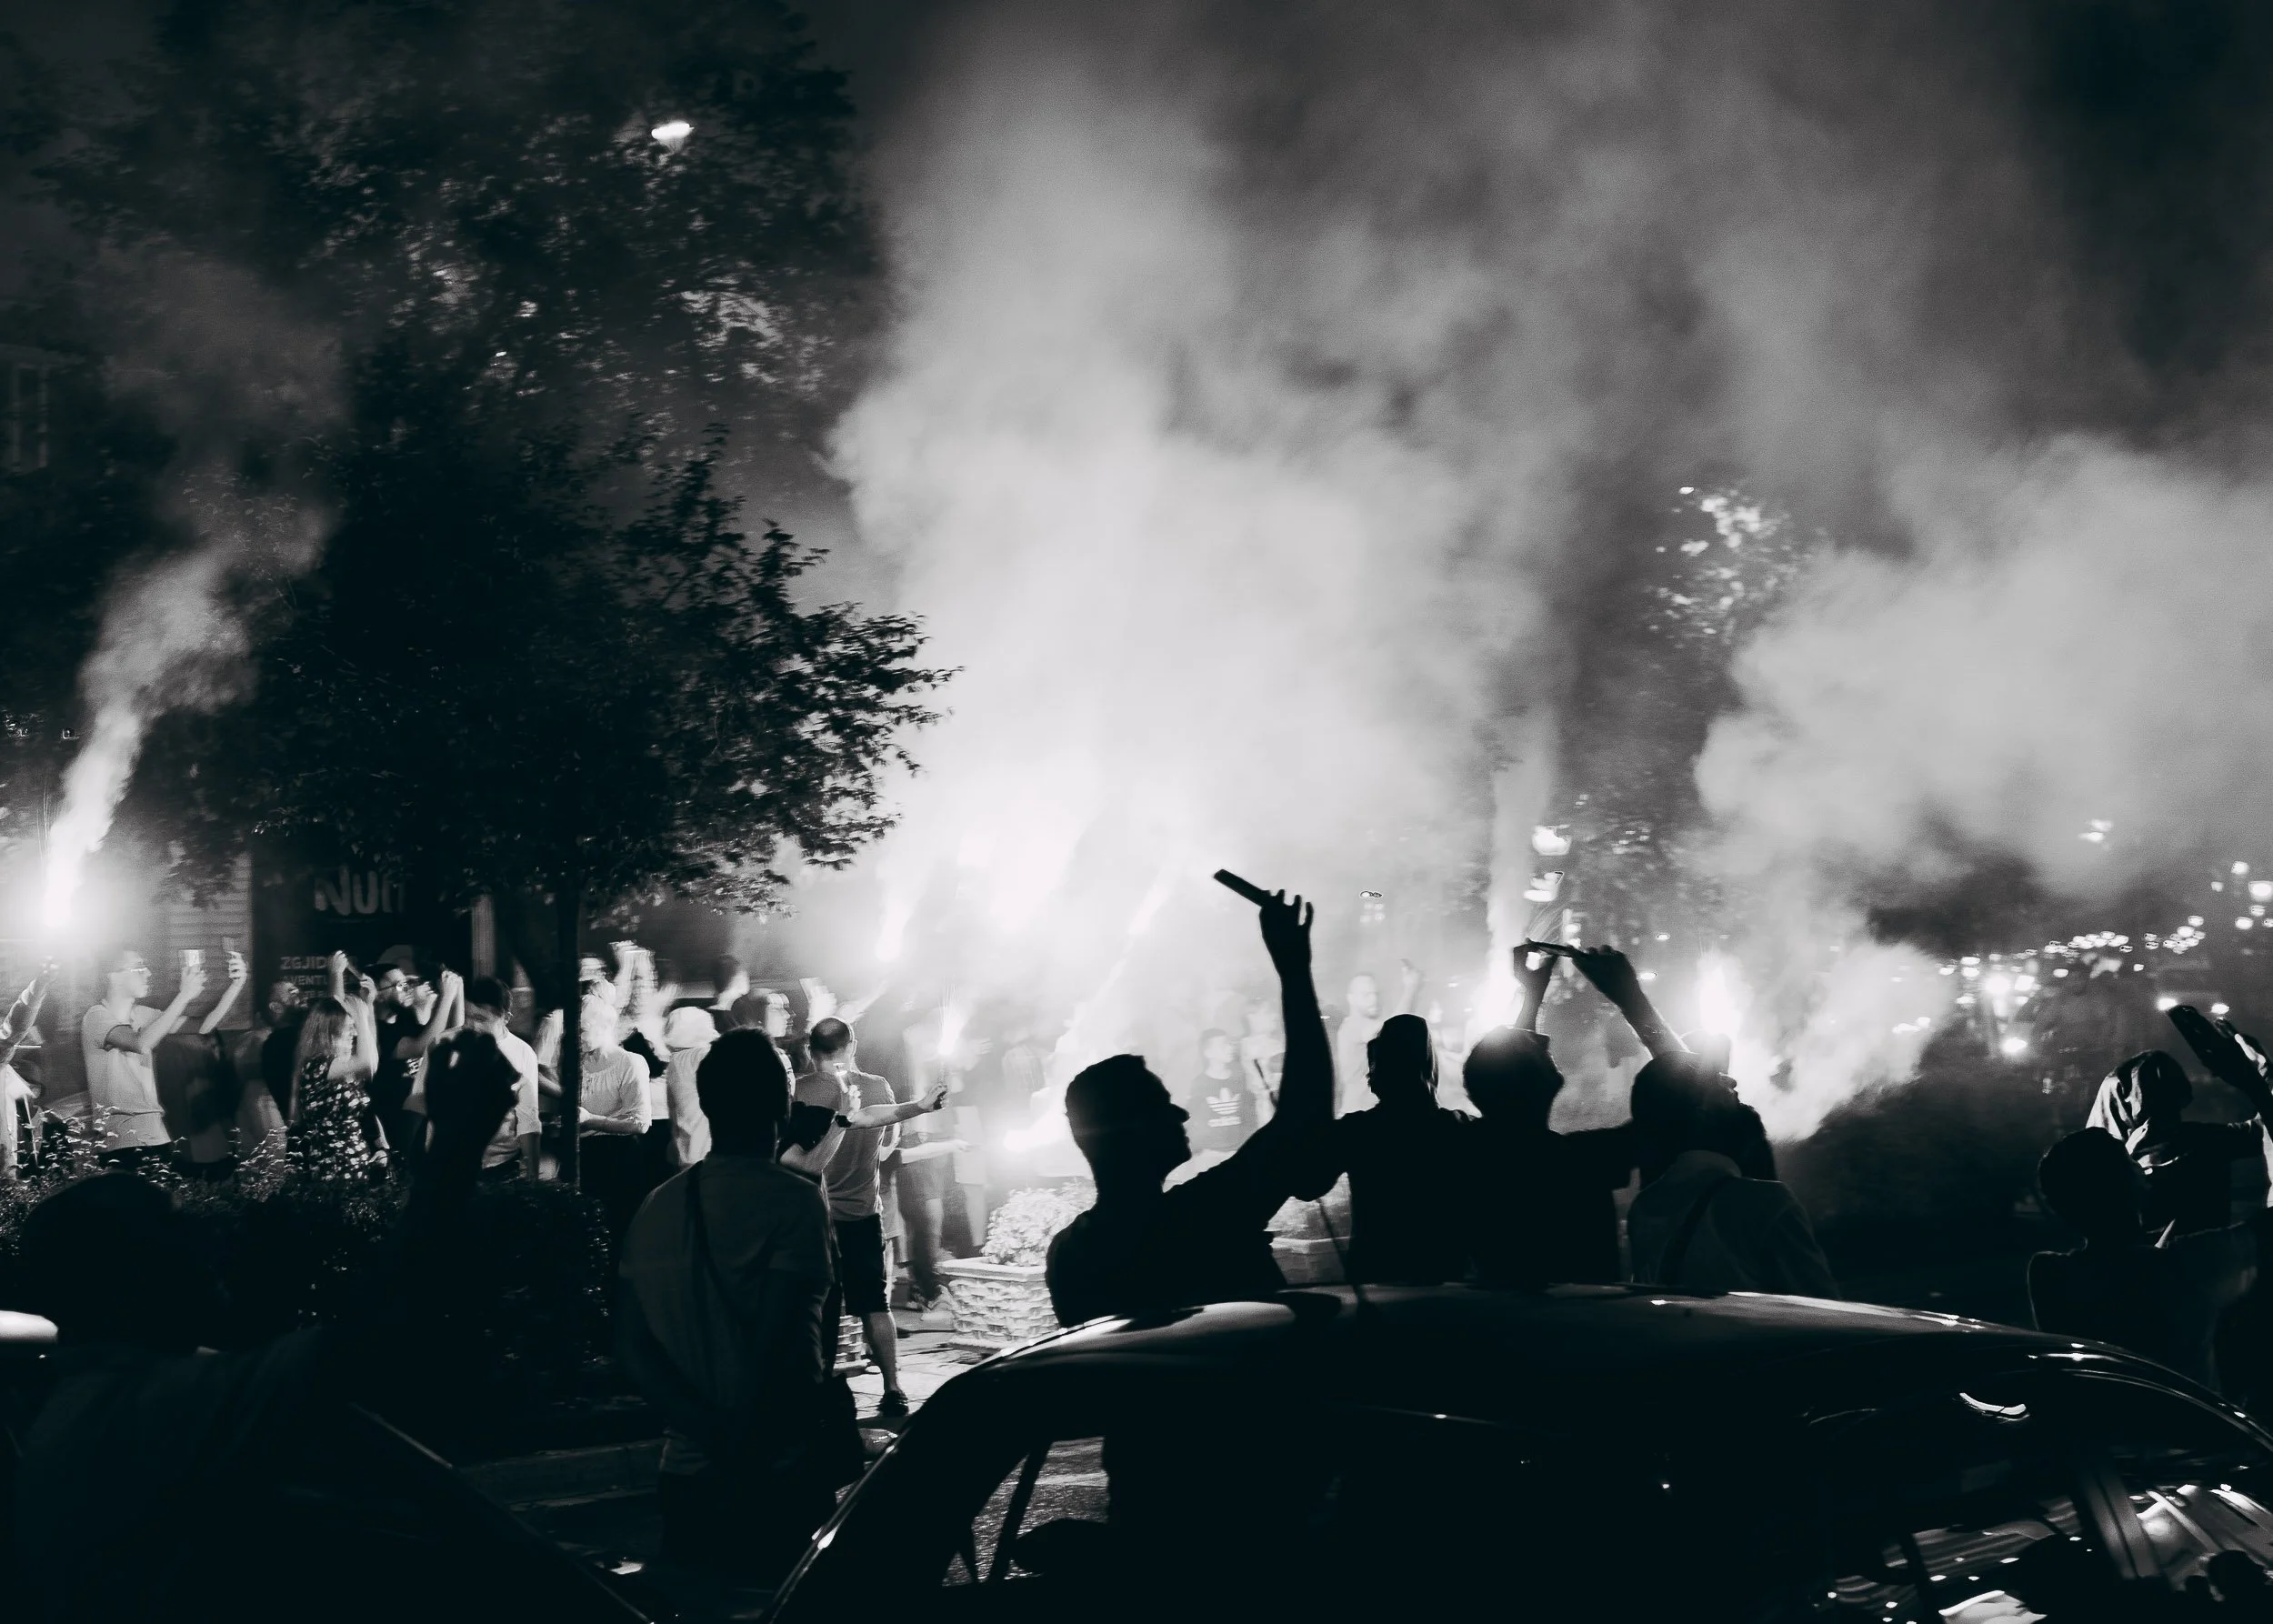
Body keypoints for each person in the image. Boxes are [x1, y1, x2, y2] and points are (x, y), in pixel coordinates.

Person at [8, 1026, 523, 1623]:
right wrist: (455, 1150)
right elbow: (368, 1341)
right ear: (128, 1281)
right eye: (176, 1237)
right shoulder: (146, 1409)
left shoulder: (98, 1405)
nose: (207, 1247)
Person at [616, 1028, 847, 1578]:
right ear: (783, 1106)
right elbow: (791, 1341)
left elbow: (631, 1346)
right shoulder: (795, 1202)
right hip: (777, 1471)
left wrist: (705, 1427)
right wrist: (747, 1435)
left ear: (707, 1103)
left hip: (687, 1472)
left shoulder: (657, 1205)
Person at [1046, 887, 1335, 1325]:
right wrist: (1293, 969)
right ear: (1134, 1130)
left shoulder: (1070, 1253)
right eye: (1162, 1106)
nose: (1181, 1114)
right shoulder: (1201, 1218)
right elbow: (1300, 1120)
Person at [785, 1018, 949, 1420]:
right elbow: (885, 1137)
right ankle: (893, 1389)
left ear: (810, 1050)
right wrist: (918, 1107)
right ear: (852, 1045)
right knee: (875, 1304)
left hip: (816, 1219)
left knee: (819, 1307)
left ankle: (818, 1391)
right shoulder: (875, 1086)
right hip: (863, 1213)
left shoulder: (798, 1091)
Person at [2030, 1127, 2268, 1392]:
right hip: (2189, 1417)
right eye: (2131, 1161)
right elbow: (2263, 1229)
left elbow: (2131, 1262)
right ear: (2129, 1182)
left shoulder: (2048, 1274)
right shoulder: (2193, 1262)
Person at [1460, 946, 1635, 1285]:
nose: (1544, 1041)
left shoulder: (1469, 1152)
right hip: (1583, 1315)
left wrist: (1532, 995)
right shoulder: (1579, 1162)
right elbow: (1676, 1104)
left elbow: (1509, 1074)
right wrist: (1629, 998)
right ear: (1538, 1085)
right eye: (1536, 1049)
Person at [1624, 1052, 1835, 1296]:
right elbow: (1825, 1310)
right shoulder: (1766, 1204)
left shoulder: (1643, 1208)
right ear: (1702, 1114)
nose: (1731, 1081)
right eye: (1716, 1079)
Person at [1318, 1013, 1471, 1283]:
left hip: (1375, 1275)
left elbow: (1311, 1182)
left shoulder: (1358, 1131)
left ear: (1378, 1065)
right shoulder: (1457, 1128)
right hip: (1445, 1277)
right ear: (1430, 1065)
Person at [2088, 1049, 2269, 1237]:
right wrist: (2263, 1070)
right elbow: (2262, 1127)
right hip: (2208, 1253)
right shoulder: (2201, 1141)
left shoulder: (2091, 1170)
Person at [81, 947, 207, 1167]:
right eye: (139, 968)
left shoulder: (142, 1013)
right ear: (113, 976)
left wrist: (237, 984)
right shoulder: (96, 1016)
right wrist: (184, 996)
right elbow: (141, 1044)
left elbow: (205, 1026)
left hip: (156, 1134)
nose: (148, 973)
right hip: (121, 1139)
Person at [410, 976, 540, 1181]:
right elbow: (419, 1100)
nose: (472, 1025)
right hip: (446, 1161)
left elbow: (528, 1118)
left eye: (481, 1018)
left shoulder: (523, 1053)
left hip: (501, 1163)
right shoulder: (443, 1044)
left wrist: (532, 1172)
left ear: (505, 1017)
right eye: (468, 1016)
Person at [576, 988, 656, 1235]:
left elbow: (640, 1123)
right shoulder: (578, 1063)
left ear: (604, 1026)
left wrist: (590, 1120)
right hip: (586, 1156)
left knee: (619, 1226)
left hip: (620, 1156)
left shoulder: (630, 1062)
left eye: (582, 1030)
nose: (576, 1036)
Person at [370, 960, 460, 1170]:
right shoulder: (378, 1032)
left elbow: (451, 1035)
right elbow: (424, 1045)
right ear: (378, 995)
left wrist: (458, 991)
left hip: (420, 1118)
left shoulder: (406, 1022)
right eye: (399, 985)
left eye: (407, 983)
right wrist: (447, 997)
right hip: (395, 1123)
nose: (407, 989)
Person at [285, 997, 386, 1183]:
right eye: (349, 1027)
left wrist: (381, 1147)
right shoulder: (317, 1065)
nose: (354, 1033)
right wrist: (360, 1018)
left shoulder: (342, 1067)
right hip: (333, 1166)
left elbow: (371, 1062)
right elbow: (368, 1063)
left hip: (357, 1163)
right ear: (330, 1031)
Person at [1331, 961, 1421, 1118]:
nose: (1374, 1000)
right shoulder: (1352, 1026)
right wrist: (1410, 987)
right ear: (1351, 999)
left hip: (1367, 1115)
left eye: (1376, 994)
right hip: (1359, 1117)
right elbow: (1396, 1027)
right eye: (1366, 995)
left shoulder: (1368, 1027)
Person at [1183, 1028, 1259, 1165]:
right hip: (1210, 1157)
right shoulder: (1198, 1084)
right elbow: (1193, 1123)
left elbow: (1249, 1117)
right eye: (1223, 1044)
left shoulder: (1240, 1080)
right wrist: (1203, 1152)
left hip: (1239, 1153)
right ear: (1208, 1052)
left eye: (1230, 1043)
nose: (1230, 1048)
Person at [663, 1005, 720, 1167]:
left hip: (686, 1151)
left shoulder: (675, 1061)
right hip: (710, 1152)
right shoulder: (702, 1055)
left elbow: (673, 1110)